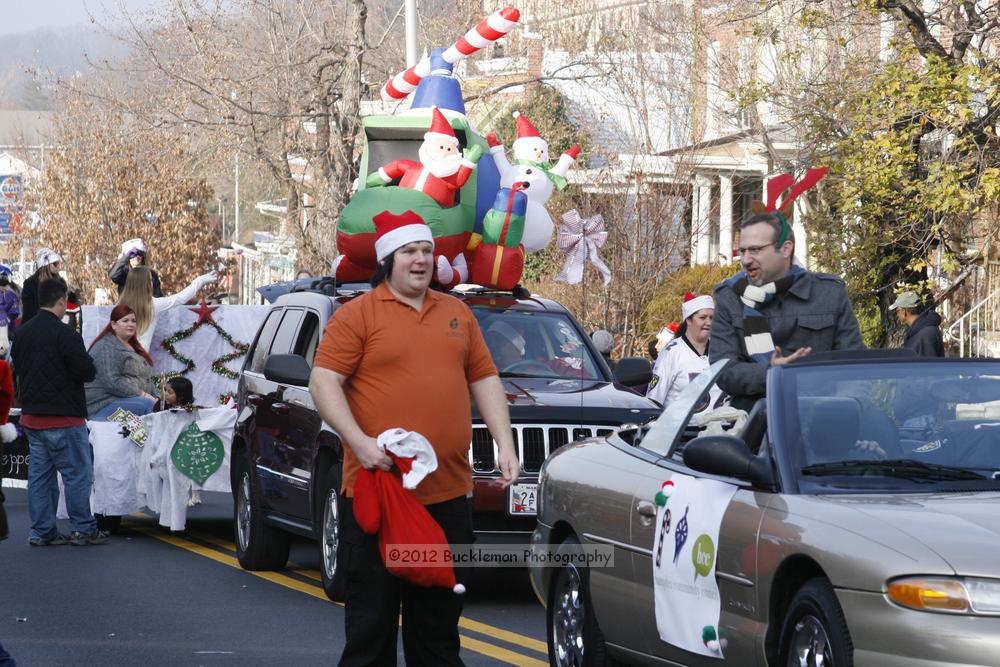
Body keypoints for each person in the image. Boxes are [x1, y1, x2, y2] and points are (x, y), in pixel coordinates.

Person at [308, 209, 518, 666]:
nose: (420, 260)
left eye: (426, 250)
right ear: (388, 259)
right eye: (409, 252)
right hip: (378, 493)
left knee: (438, 628)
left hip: (447, 495)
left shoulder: (457, 313)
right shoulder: (357, 315)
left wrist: (505, 443)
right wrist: (360, 442)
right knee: (372, 624)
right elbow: (323, 381)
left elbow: (484, 379)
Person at [710, 211, 864, 408]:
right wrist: (771, 371)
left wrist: (845, 412)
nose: (745, 260)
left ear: (785, 249)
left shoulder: (829, 294)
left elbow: (854, 365)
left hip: (824, 416)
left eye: (755, 250)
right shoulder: (730, 297)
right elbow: (723, 371)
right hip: (756, 422)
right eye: (742, 251)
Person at [10, 278, 107, 546]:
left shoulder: (23, 333)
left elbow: (17, 368)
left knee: (40, 477)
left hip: (32, 416)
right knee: (76, 474)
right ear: (62, 300)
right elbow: (86, 371)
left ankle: (42, 531)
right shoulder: (66, 335)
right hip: (65, 416)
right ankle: (83, 528)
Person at [117, 265, 218, 351]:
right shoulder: (152, 304)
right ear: (145, 284)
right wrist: (199, 281)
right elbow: (180, 298)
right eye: (150, 280)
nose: (152, 284)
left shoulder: (120, 305)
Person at [85, 305, 157, 420]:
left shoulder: (133, 347)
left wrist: (158, 397)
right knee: (148, 405)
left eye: (133, 321)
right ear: (113, 325)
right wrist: (142, 394)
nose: (131, 324)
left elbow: (145, 378)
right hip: (103, 404)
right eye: (125, 321)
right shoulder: (106, 346)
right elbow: (112, 381)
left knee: (161, 406)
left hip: (128, 400)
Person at [648, 294, 718, 406]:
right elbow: (654, 401)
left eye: (711, 318)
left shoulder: (722, 350)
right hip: (685, 423)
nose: (708, 323)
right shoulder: (671, 353)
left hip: (721, 423)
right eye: (702, 317)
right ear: (689, 320)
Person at [890, 290, 944, 358]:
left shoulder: (926, 335)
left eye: (897, 311)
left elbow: (928, 366)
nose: (897, 315)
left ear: (904, 312)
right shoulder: (920, 332)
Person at [20, 248, 63, 324]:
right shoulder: (30, 283)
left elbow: (63, 304)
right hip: (35, 325)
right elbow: (28, 310)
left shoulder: (60, 281)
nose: (58, 267)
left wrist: (73, 295)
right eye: (55, 264)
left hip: (54, 324)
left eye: (58, 263)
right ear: (45, 265)